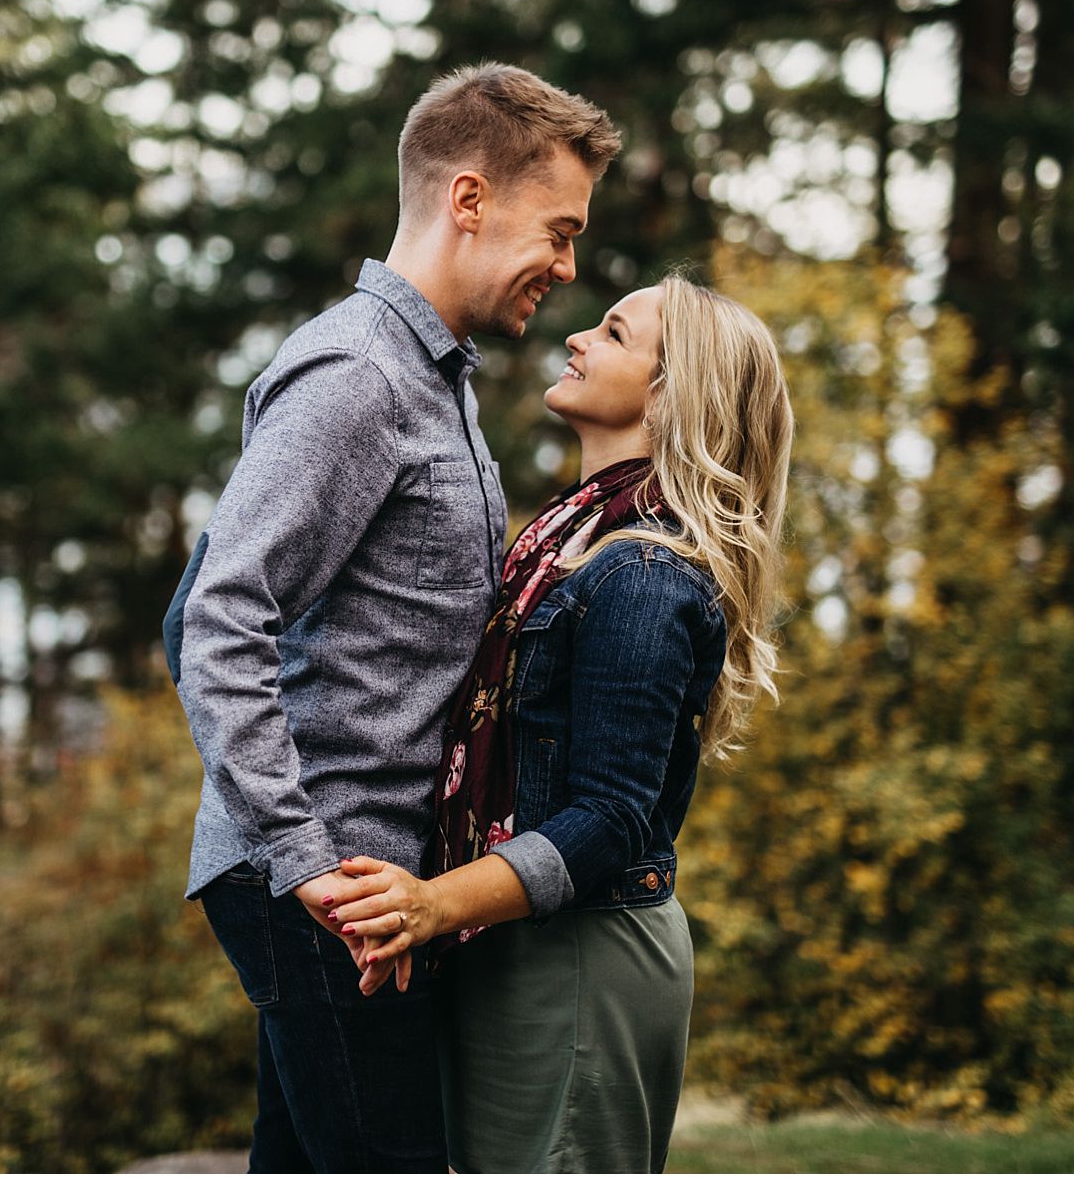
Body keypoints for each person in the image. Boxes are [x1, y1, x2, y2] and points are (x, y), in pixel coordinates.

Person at [170, 63, 622, 1172]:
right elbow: (215, 616)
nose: (565, 267)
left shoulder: (435, 379)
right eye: (556, 231)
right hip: (333, 878)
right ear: (468, 200)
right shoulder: (356, 375)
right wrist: (303, 855)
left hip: (367, 871)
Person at [326, 272, 795, 1174]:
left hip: (581, 957)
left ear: (670, 394)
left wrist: (430, 905)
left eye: (615, 335)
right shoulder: (571, 540)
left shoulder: (641, 573)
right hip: (518, 941)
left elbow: (611, 816)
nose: (578, 338)